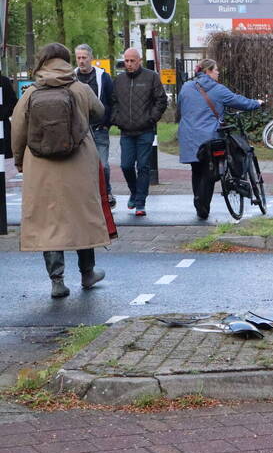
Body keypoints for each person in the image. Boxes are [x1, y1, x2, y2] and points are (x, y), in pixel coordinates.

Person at [11, 43, 108, 298]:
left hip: (40, 166)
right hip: (79, 162)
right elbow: (100, 112)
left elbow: (18, 130)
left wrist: (20, 161)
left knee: (48, 221)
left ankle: (57, 281)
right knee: (81, 216)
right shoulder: (79, 88)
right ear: (66, 60)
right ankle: (88, 273)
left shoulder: (30, 92)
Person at [177, 59, 262, 219]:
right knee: (209, 171)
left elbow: (181, 107)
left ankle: (198, 201)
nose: (218, 73)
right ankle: (202, 205)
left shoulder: (186, 87)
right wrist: (257, 103)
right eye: (216, 70)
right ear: (208, 71)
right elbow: (240, 102)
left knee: (196, 169)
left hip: (188, 136)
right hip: (210, 137)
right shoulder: (218, 89)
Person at [110, 47, 166, 217]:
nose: (129, 64)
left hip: (145, 130)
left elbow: (161, 100)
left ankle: (140, 202)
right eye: (126, 61)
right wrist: (116, 119)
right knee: (126, 165)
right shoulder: (119, 80)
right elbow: (113, 103)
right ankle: (134, 192)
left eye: (132, 60)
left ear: (139, 60)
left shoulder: (151, 77)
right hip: (126, 131)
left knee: (143, 166)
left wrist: (151, 119)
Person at [73, 44, 115, 208]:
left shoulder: (103, 77)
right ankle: (86, 197)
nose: (81, 61)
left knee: (102, 165)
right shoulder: (71, 77)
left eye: (84, 57)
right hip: (79, 130)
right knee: (81, 166)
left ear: (91, 58)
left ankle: (107, 192)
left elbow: (112, 101)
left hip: (99, 129)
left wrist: (107, 123)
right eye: (78, 58)